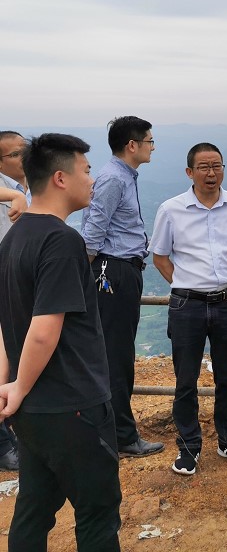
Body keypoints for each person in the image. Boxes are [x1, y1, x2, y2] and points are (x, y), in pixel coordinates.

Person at [0, 133, 122, 551]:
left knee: (34, 509)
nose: (92, 179)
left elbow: (6, 324)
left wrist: (11, 387)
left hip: (34, 412)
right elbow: (44, 328)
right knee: (98, 513)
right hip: (74, 404)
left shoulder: (13, 238)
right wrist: (17, 386)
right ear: (60, 178)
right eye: (86, 170)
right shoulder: (62, 240)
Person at [150, 143, 227, 476]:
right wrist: (186, 283)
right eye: (204, 167)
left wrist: (220, 278)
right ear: (190, 172)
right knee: (185, 380)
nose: (211, 173)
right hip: (187, 305)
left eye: (217, 166)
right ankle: (188, 447)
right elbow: (160, 257)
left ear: (223, 169)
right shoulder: (171, 209)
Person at [81, 116, 164, 458]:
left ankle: (110, 431)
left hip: (117, 270)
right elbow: (93, 230)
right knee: (117, 355)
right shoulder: (115, 178)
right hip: (112, 271)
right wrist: (84, 275)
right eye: (149, 141)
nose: (152, 146)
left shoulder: (122, 175)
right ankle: (122, 436)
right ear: (132, 145)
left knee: (115, 351)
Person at [0, 131, 33, 472]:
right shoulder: (10, 190)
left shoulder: (30, 188)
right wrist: (14, 194)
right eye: (15, 153)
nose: (24, 156)